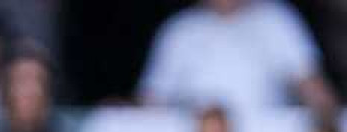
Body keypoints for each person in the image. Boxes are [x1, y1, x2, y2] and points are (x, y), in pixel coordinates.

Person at [137, 0, 334, 116]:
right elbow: (153, 100)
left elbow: (311, 86)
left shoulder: (275, 19)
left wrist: (329, 122)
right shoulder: (180, 29)